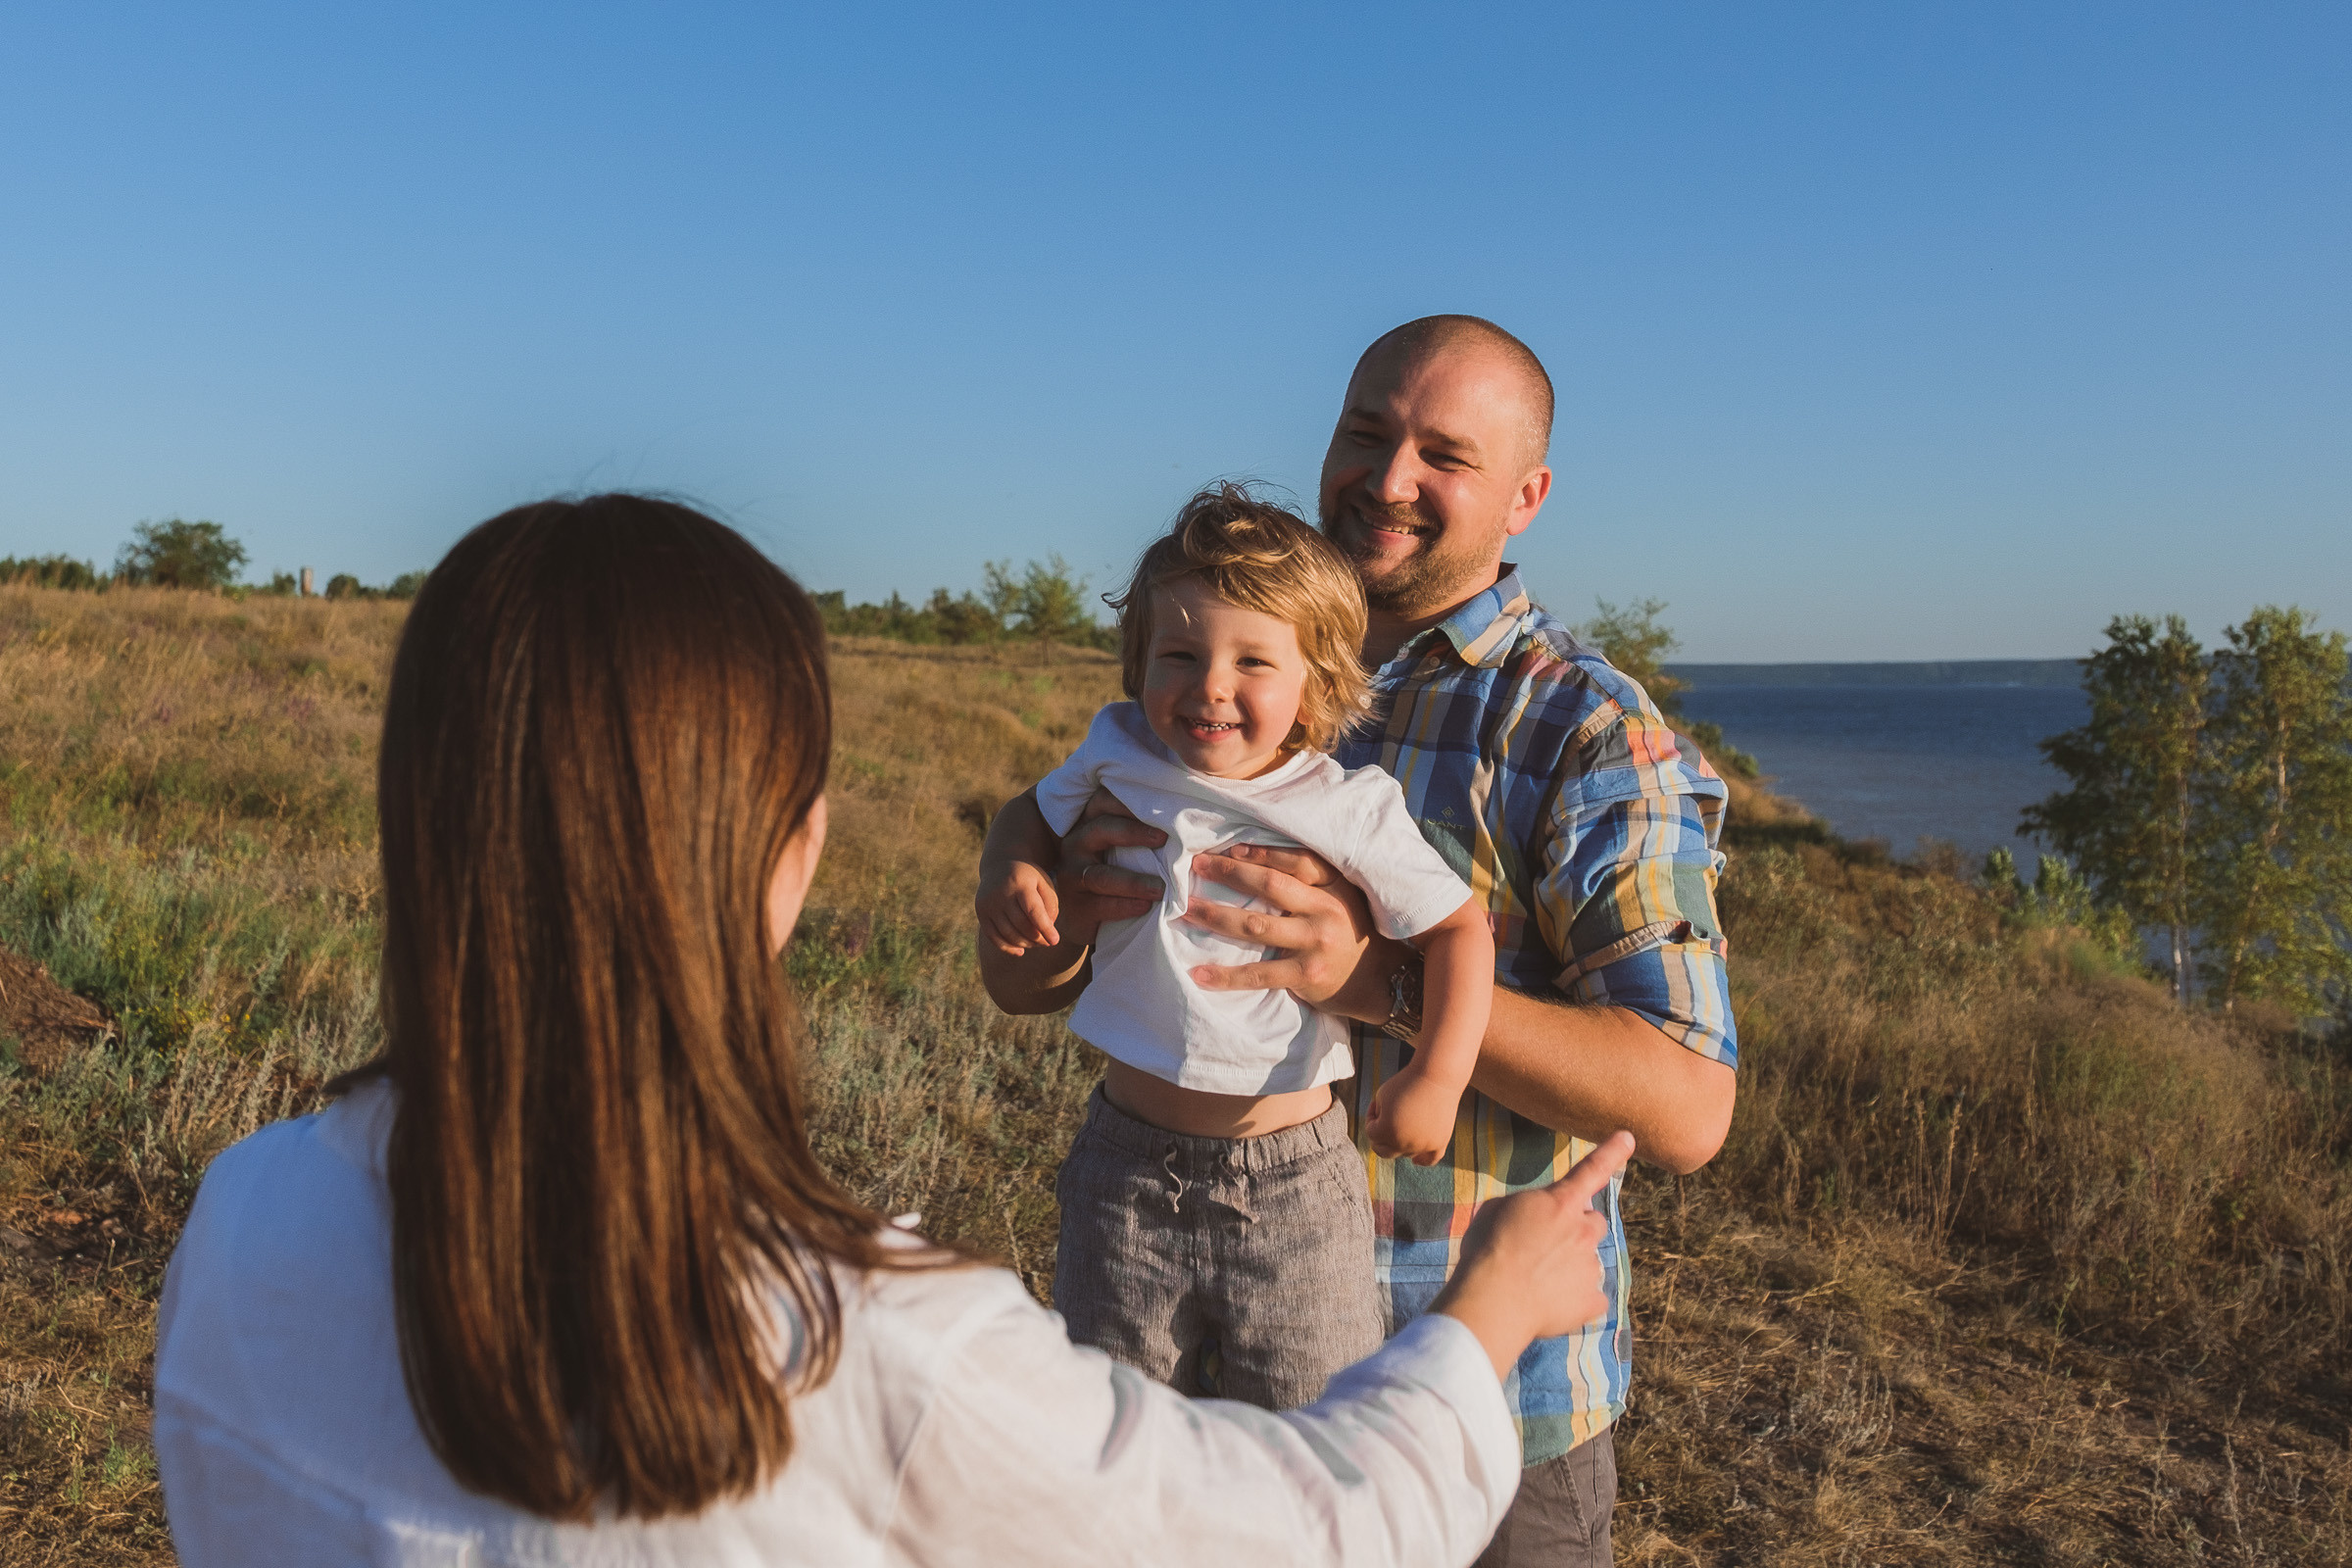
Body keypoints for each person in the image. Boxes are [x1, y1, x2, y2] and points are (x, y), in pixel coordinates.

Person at [151, 493, 1637, 1567]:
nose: (1210, 689)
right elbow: (1321, 1527)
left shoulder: (243, 1216)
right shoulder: (869, 1348)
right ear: (788, 849)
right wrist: (1487, 1316)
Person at [979, 317, 1738, 1567]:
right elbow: (1028, 979)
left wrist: (1375, 982)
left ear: (1527, 496)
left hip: (1486, 1404)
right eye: (1367, 434)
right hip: (1189, 1369)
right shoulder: (1213, 680)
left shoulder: (1585, 727)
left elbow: (1689, 1105)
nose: (1389, 479)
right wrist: (1045, 906)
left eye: (1445, 454)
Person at [977, 485, 1494, 1410]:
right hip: (1123, 1167)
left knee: (1313, 1427)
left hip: (1291, 1180)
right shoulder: (1118, 749)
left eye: (1253, 660)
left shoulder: (1344, 805)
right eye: (1179, 655)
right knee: (1115, 1425)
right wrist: (1009, 870)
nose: (1211, 684)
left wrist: (1439, 1075)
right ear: (1139, 664)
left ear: (1316, 685)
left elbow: (1459, 929)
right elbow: (1028, 811)